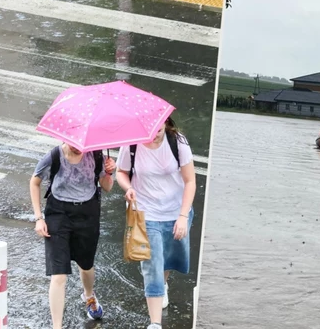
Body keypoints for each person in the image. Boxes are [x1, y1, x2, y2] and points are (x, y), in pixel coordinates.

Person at [116, 117, 196, 329]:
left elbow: (190, 181)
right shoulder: (131, 144)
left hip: (175, 211)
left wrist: (182, 216)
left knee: (167, 259)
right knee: (152, 265)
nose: (154, 136)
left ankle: (163, 285)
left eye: (158, 130)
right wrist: (128, 188)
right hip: (145, 213)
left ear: (166, 125)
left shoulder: (178, 143)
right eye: (149, 132)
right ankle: (155, 323)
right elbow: (121, 172)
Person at [29, 143, 116, 329]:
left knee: (86, 266)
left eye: (81, 145)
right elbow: (34, 181)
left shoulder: (96, 155)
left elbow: (107, 187)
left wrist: (109, 172)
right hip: (58, 214)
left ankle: (89, 295)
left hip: (88, 213)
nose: (78, 149)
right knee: (58, 274)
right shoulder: (54, 155)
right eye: (73, 144)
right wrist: (39, 218)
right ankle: (57, 326)